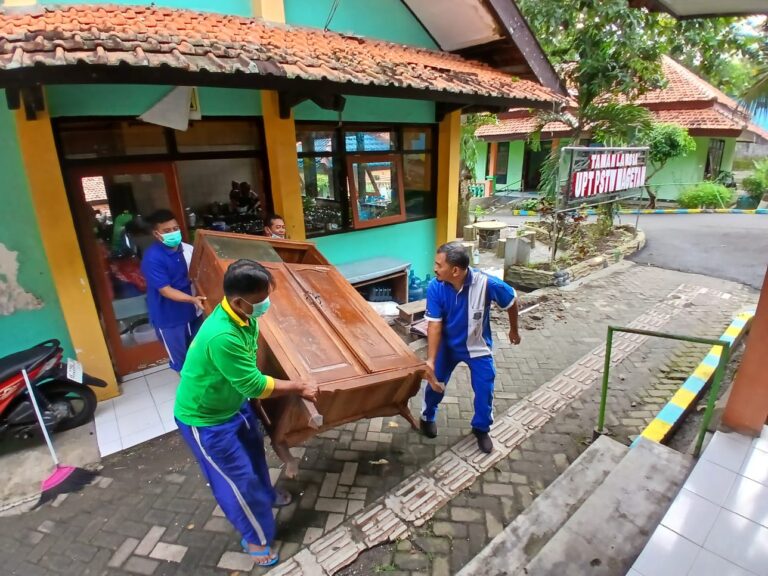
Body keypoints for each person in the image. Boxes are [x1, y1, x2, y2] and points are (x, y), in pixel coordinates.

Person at [174, 259, 318, 567]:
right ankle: (256, 538)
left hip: (233, 405)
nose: (267, 303)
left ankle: (264, 499)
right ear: (239, 300)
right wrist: (298, 386)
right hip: (207, 420)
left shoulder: (242, 316)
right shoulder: (221, 335)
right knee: (238, 481)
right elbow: (253, 382)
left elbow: (248, 370)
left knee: (255, 460)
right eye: (262, 299)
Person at [421, 242, 521, 454]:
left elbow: (512, 301)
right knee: (435, 382)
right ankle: (427, 416)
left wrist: (514, 331)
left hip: (477, 345)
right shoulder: (435, 287)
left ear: (455, 270)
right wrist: (430, 360)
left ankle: (481, 428)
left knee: (485, 387)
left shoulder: (487, 284)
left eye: (439, 265)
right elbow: (434, 325)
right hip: (447, 347)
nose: (435, 269)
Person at [141, 209, 205, 372]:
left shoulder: (188, 249)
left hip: (194, 313)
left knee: (200, 355)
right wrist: (192, 299)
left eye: (175, 229)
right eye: (167, 231)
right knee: (181, 362)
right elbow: (165, 290)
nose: (173, 233)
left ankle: (204, 391)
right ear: (157, 234)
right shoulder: (152, 258)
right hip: (170, 319)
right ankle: (189, 395)